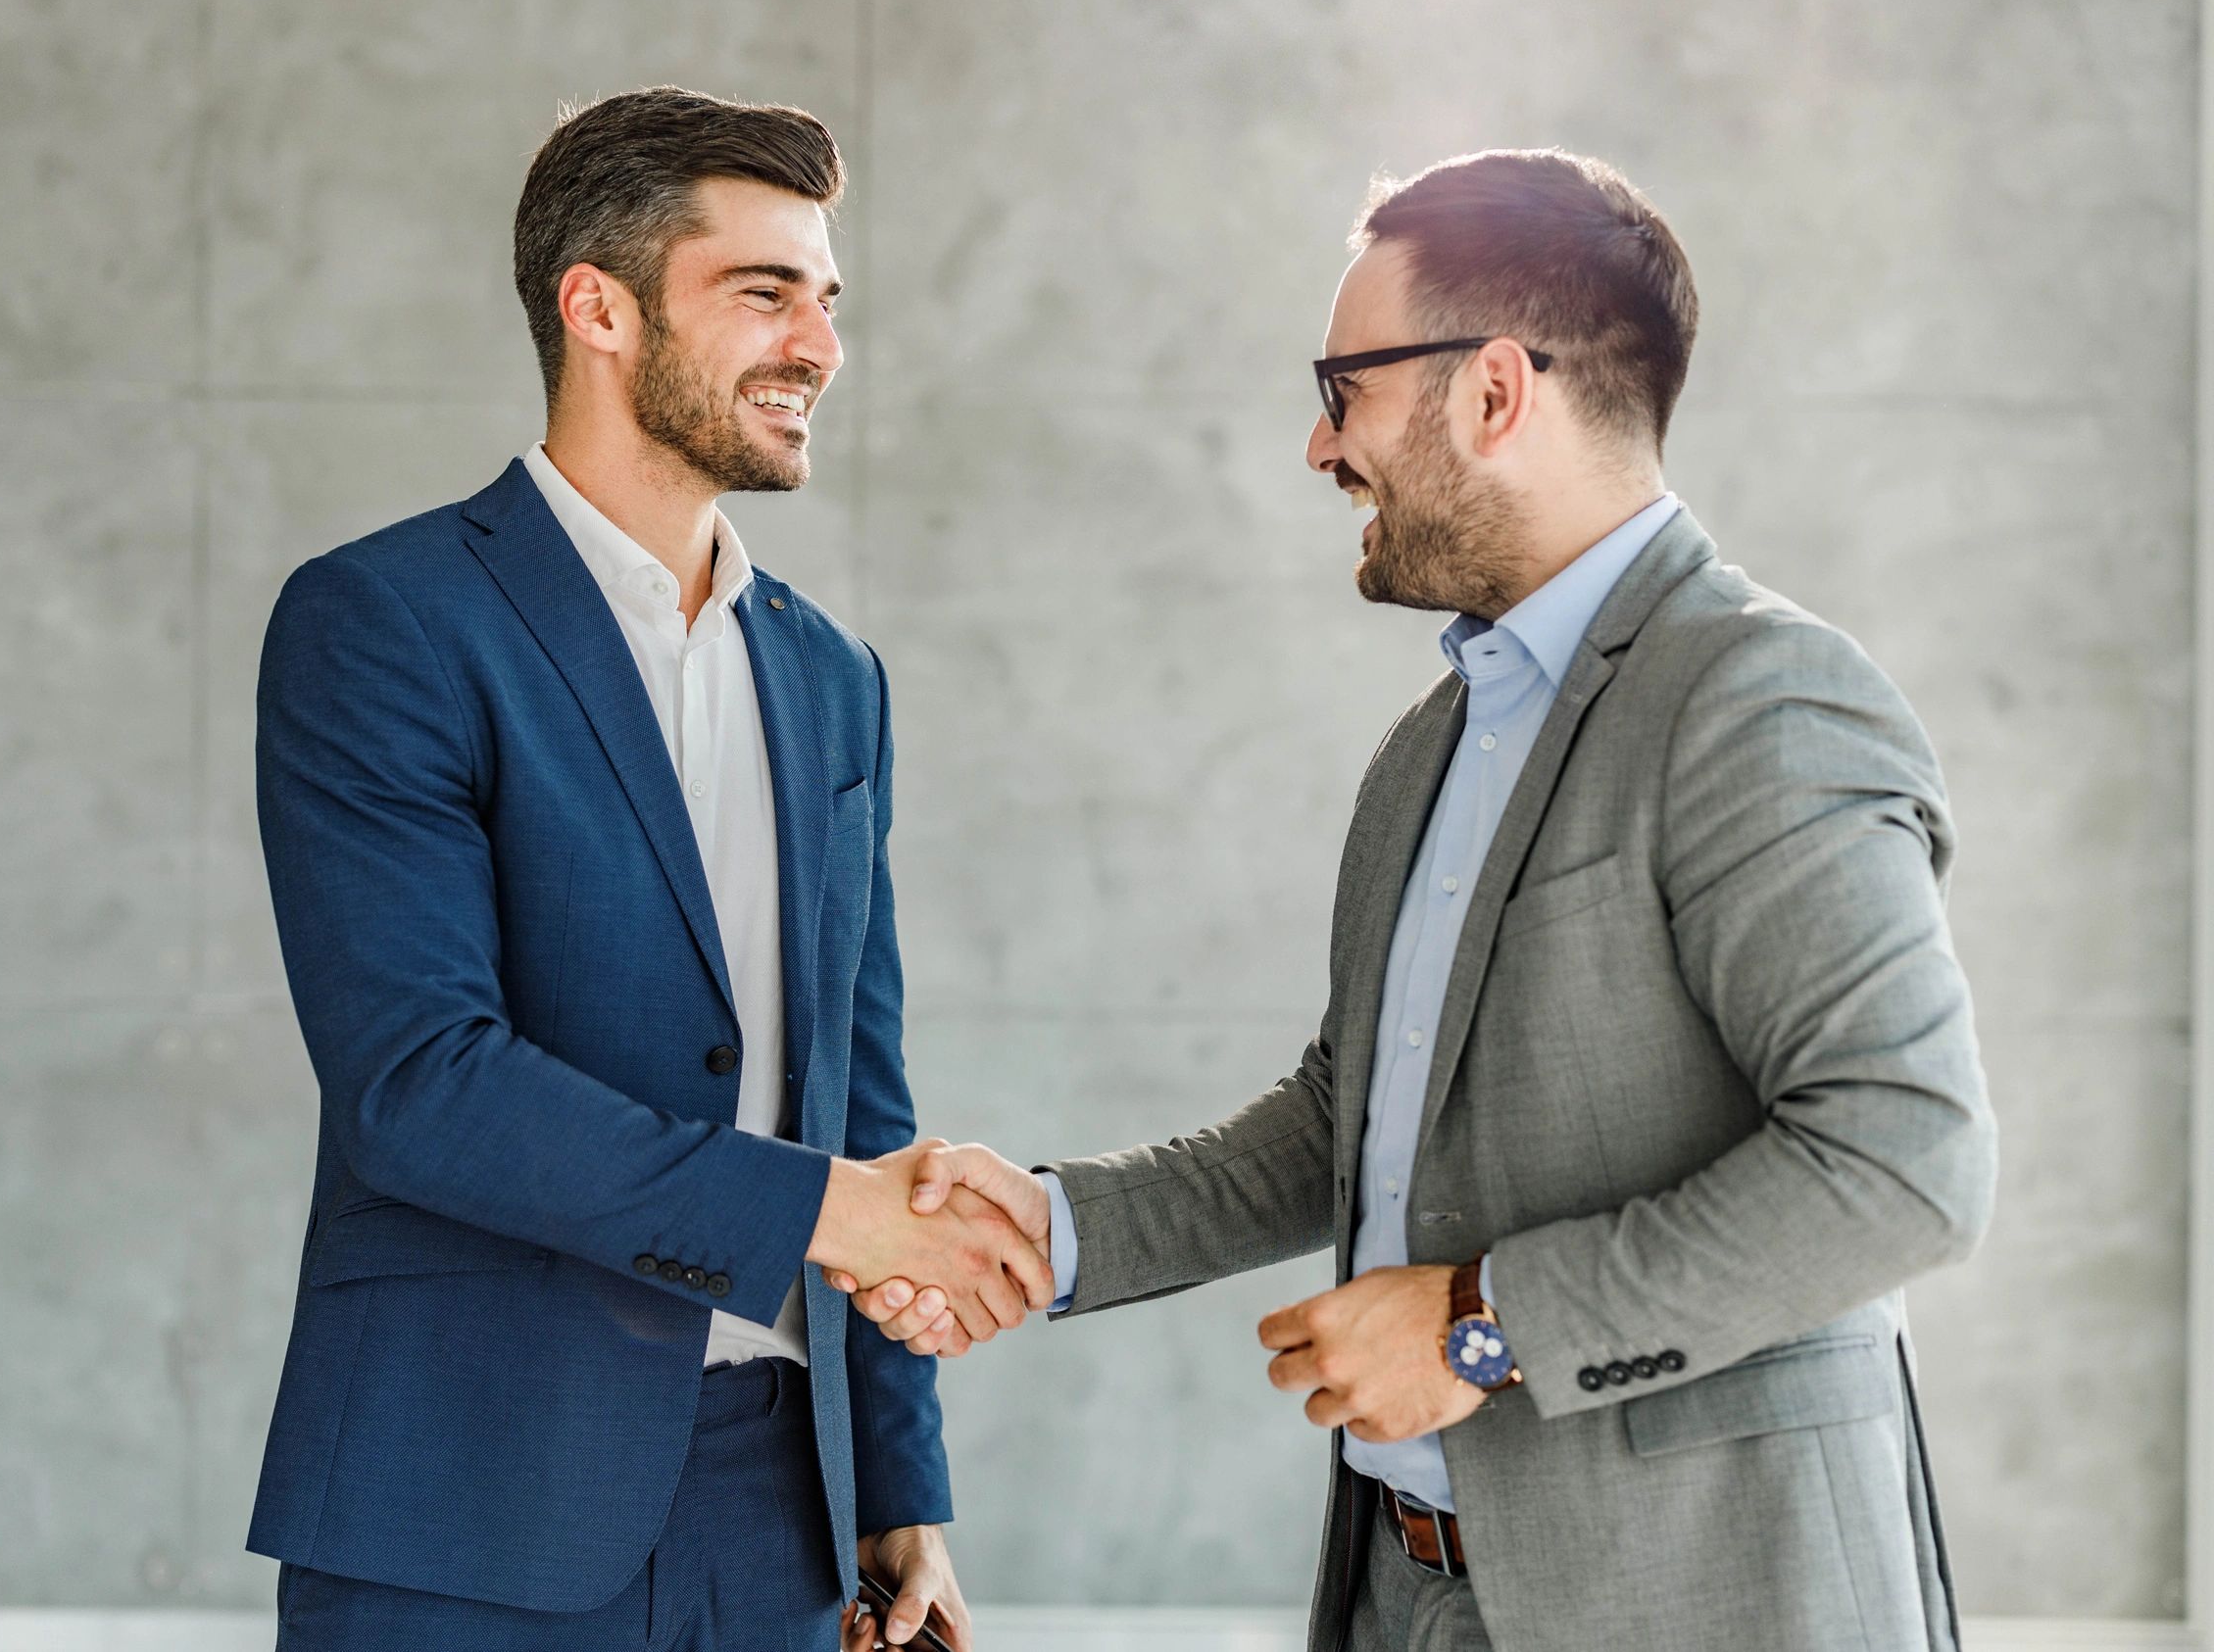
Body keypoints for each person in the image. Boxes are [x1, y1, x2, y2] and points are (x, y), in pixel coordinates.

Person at [839, 149, 1995, 1652]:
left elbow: (1904, 1159)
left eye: (1346, 386)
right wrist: (1054, 1229)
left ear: (1495, 391)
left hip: (1703, 1600)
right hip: (1409, 1592)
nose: (1323, 447)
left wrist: (1482, 1320)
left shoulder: (1760, 700)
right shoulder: (1434, 745)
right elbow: (1355, 1112)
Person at [243, 86, 1050, 1652]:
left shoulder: (834, 679)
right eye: (764, 293)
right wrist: (820, 1212)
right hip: (461, 1501)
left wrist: (901, 1489)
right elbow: (423, 1084)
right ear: (597, 308)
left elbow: (858, 1099)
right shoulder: (385, 624)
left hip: (780, 1520)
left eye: (827, 300)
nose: (818, 345)